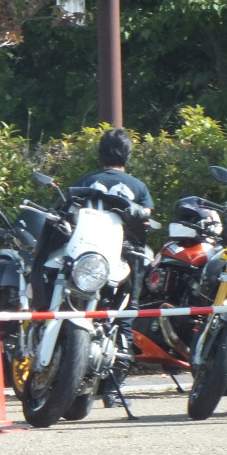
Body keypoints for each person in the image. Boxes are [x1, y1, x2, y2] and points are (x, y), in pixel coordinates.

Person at [75, 127, 155, 408]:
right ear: (127, 155)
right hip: (126, 260)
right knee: (125, 318)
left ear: (100, 154)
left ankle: (77, 379)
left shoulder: (86, 182)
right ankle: (112, 390)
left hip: (87, 260)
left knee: (79, 313)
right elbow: (146, 221)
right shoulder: (138, 187)